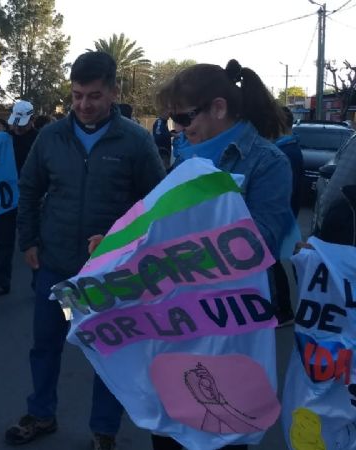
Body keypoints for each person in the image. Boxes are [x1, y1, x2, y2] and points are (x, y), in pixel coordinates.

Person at [7, 51, 166, 450]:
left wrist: (124, 242)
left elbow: (155, 205)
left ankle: (103, 431)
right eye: (76, 95)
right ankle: (41, 413)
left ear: (113, 91)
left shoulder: (136, 141)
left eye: (94, 95)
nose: (83, 105)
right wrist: (28, 240)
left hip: (110, 275)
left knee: (107, 353)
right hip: (55, 269)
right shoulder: (50, 137)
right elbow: (29, 190)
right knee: (45, 346)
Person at [152, 59, 293, 450]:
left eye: (183, 117)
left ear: (218, 108)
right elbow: (158, 223)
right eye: (172, 121)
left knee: (222, 432)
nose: (178, 129)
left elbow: (261, 243)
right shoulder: (184, 157)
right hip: (178, 320)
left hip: (231, 323)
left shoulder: (268, 162)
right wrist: (122, 247)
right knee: (170, 430)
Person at [0, 100, 38, 298]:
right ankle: (2, 283)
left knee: (34, 242)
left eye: (21, 122)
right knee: (3, 241)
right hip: (6, 197)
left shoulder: (39, 139)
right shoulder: (3, 138)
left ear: (31, 119)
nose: (17, 126)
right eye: (15, 122)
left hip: (31, 198)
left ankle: (38, 284)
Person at [271, 106, 304, 326]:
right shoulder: (289, 146)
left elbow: (284, 189)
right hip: (287, 212)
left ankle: (285, 310)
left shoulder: (284, 151)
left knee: (274, 262)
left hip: (283, 214)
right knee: (282, 260)